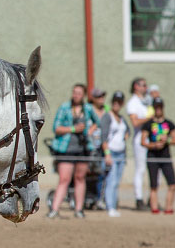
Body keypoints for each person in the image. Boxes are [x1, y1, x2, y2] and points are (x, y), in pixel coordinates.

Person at [47, 83, 98, 219]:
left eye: (79, 93)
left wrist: (88, 132)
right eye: (74, 92)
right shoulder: (64, 107)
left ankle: (79, 210)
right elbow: (56, 128)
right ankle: (54, 209)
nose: (76, 95)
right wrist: (73, 129)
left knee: (80, 178)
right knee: (64, 179)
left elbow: (97, 122)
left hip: (83, 149)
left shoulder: (88, 109)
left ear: (84, 95)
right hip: (66, 149)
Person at [142, 97, 175, 214]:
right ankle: (154, 208)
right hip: (152, 156)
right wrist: (154, 145)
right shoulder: (148, 124)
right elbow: (143, 142)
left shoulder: (169, 123)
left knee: (172, 183)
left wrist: (167, 140)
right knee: (154, 185)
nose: (158, 109)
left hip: (165, 157)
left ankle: (168, 208)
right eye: (156, 107)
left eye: (160, 107)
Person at [100, 91, 131, 217]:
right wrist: (107, 154)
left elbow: (128, 130)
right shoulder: (107, 117)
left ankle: (113, 204)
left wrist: (126, 136)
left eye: (119, 102)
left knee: (117, 181)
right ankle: (110, 207)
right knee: (111, 181)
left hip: (121, 154)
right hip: (111, 153)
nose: (117, 104)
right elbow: (103, 137)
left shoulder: (122, 118)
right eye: (115, 101)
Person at [126, 77, 152, 210]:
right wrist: (148, 118)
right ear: (136, 86)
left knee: (153, 171)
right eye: (143, 85)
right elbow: (135, 122)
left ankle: (152, 199)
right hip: (139, 141)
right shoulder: (133, 103)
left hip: (152, 140)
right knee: (140, 170)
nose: (145, 88)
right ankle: (139, 199)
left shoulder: (146, 101)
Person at [88, 88, 108, 208]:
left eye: (102, 96)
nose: (101, 99)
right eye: (99, 97)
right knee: (90, 174)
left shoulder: (106, 110)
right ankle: (90, 198)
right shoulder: (89, 109)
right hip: (91, 146)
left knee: (102, 173)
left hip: (103, 147)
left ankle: (100, 198)